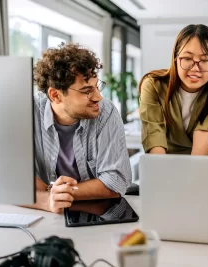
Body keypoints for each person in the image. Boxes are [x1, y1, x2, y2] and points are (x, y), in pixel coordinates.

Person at [26, 43, 132, 214]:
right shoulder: (27, 112)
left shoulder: (106, 112)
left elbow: (116, 180)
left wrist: (57, 193)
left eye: (97, 86)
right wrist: (46, 201)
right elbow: (9, 183)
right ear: (55, 95)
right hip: (43, 215)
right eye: (86, 91)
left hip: (95, 214)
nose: (98, 97)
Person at [139, 24, 208, 155]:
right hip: (165, 161)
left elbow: (206, 130)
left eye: (205, 59)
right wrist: (161, 172)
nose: (195, 68)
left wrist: (191, 173)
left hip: (202, 162)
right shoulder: (153, 84)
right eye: (187, 58)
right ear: (175, 58)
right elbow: (154, 136)